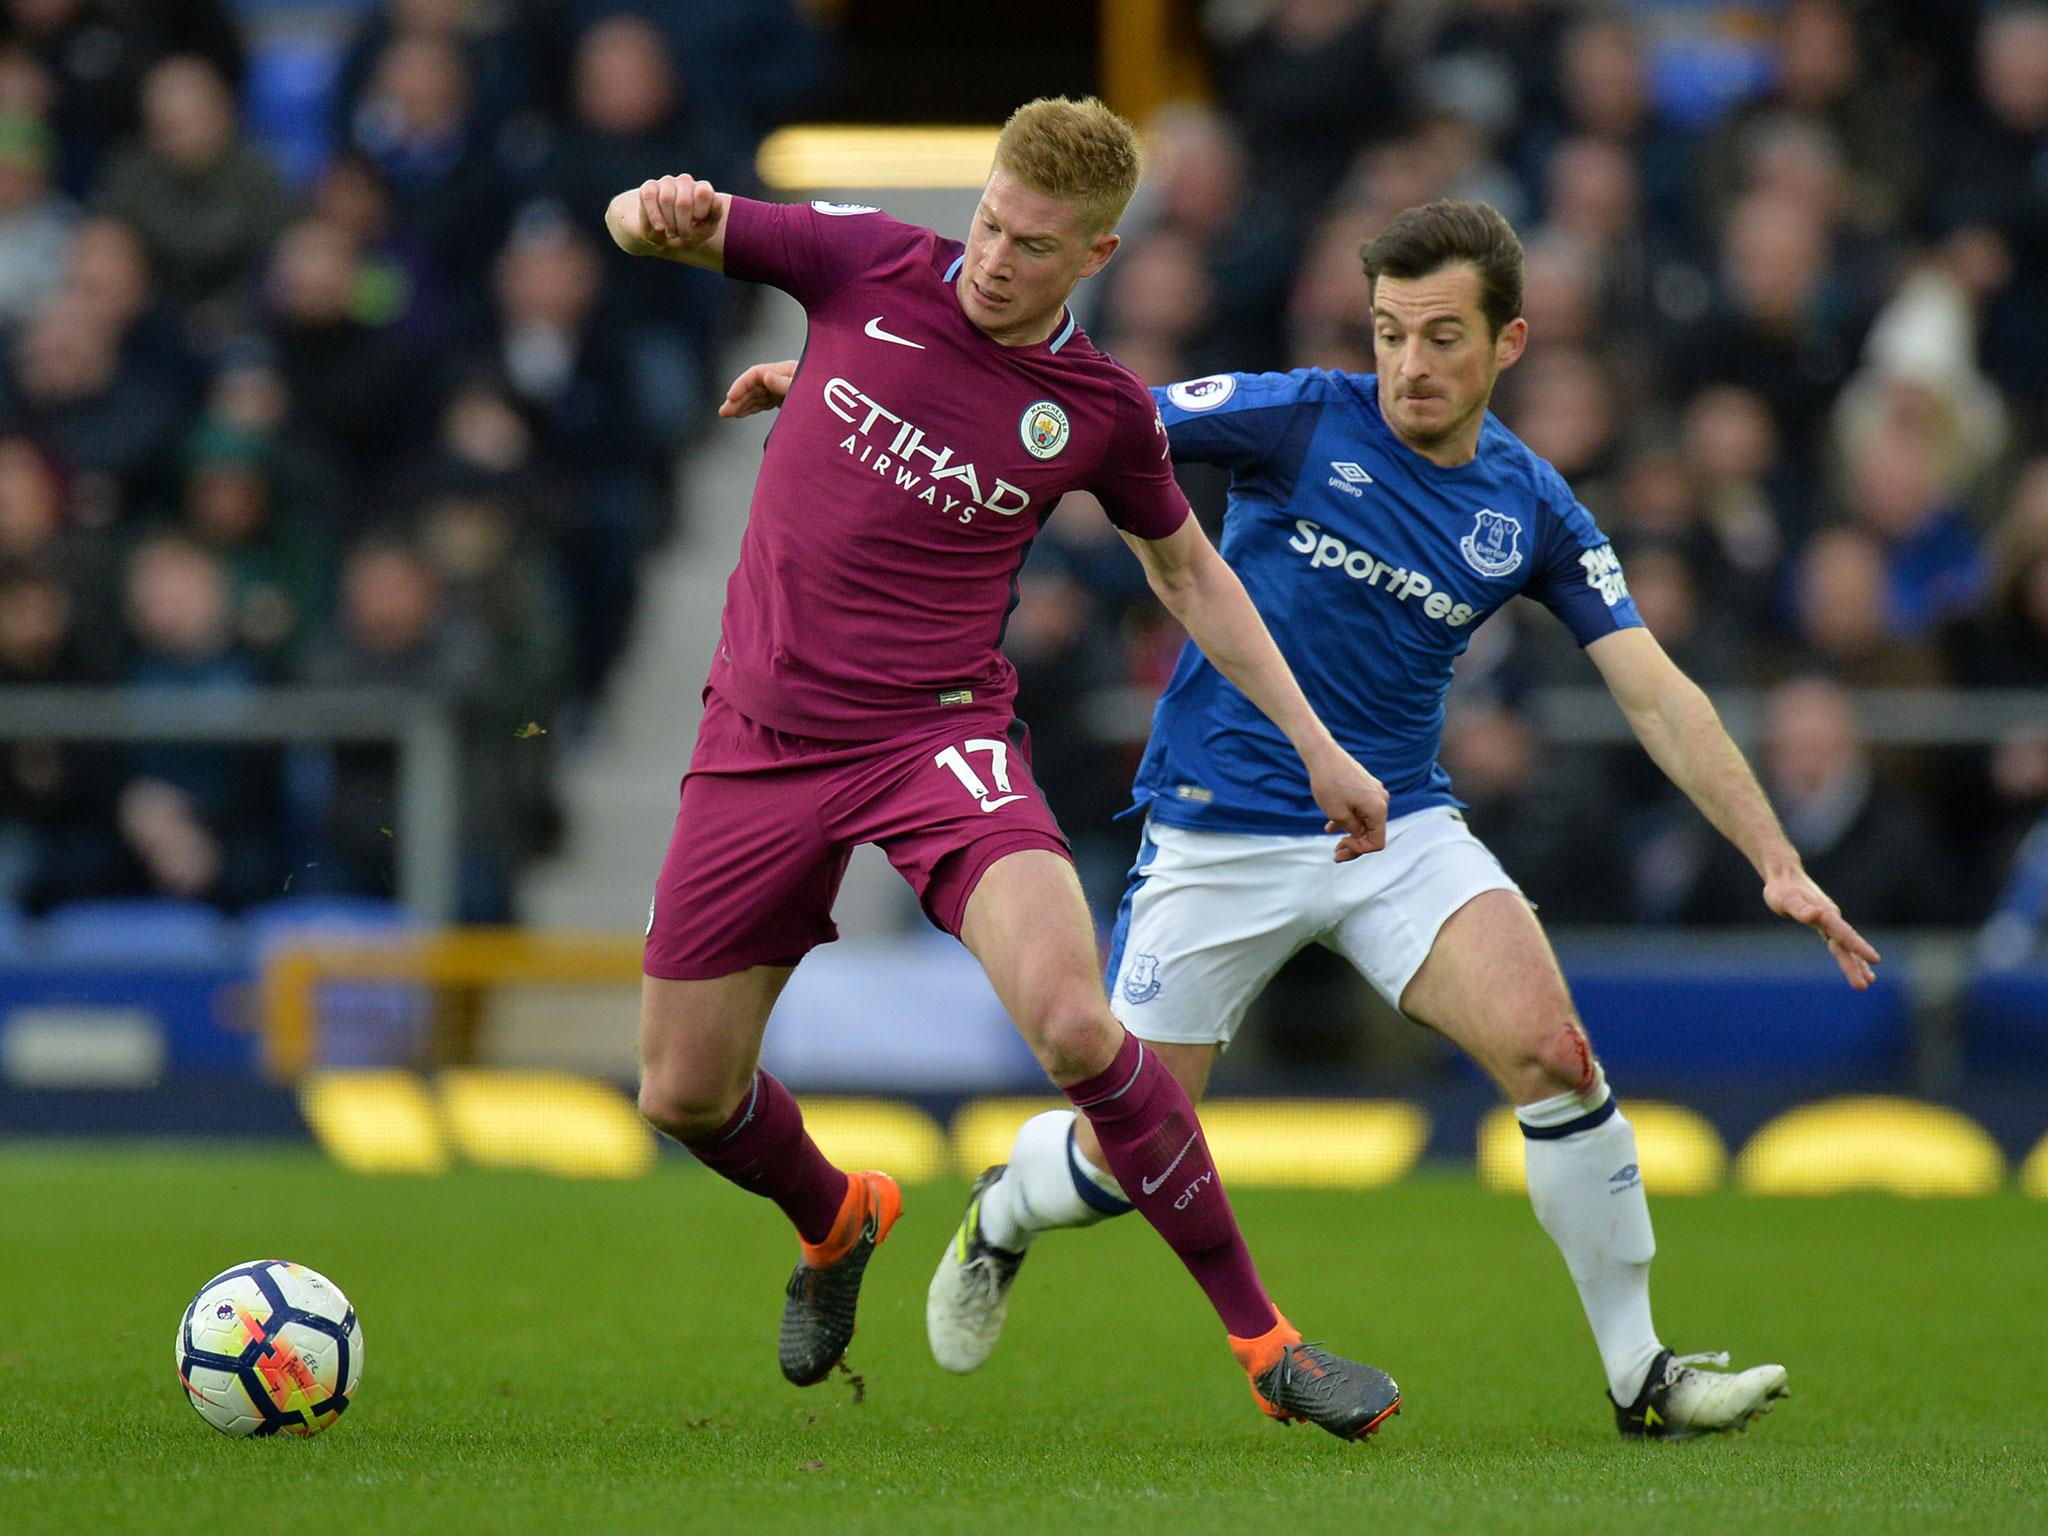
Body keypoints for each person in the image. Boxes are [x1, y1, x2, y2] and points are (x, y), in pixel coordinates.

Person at [721, 199, 1881, 1440]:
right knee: (1126, 1157)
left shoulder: (1531, 506)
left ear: (1509, 345)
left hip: (1395, 830)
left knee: (1553, 1053)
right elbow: (1076, 418)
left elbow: (1650, 685)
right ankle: (1006, 1209)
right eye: (1388, 331)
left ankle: (1640, 1375)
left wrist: (1774, 858)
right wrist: (857, 379)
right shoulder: (1292, 414)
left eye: (1442, 337)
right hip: (1215, 833)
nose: (1409, 364)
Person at [603, 97, 1402, 1441]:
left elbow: (1190, 575)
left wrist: (1320, 747)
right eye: (986, 223)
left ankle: (1270, 1345)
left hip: (937, 741)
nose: (991, 259)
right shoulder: (866, 263)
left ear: (1093, 257)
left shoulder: (1096, 412)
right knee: (683, 1093)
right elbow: (657, 231)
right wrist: (652, 213)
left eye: (1032, 246)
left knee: (1080, 1028)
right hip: (759, 738)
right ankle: (836, 1215)